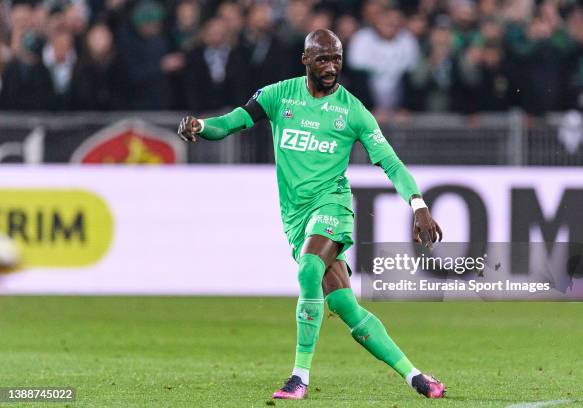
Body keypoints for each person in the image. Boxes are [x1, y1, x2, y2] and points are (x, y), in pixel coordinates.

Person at [177, 29, 445, 400]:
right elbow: (229, 124)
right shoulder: (277, 96)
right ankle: (415, 376)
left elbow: (390, 162)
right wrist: (201, 127)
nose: (331, 66)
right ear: (305, 60)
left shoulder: (353, 111)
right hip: (295, 216)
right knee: (344, 306)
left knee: (308, 267)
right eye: (323, 59)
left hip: (332, 204)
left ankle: (299, 377)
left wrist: (418, 204)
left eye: (336, 58)